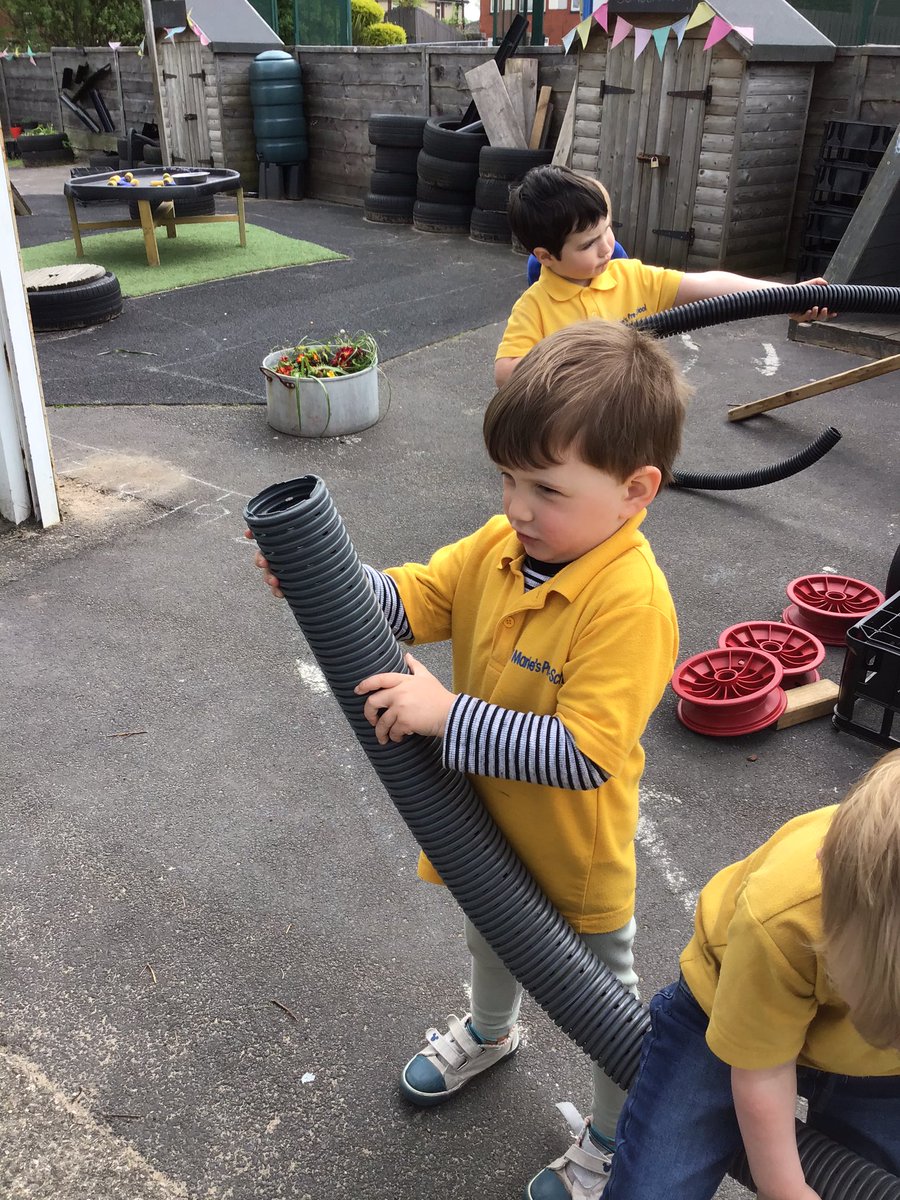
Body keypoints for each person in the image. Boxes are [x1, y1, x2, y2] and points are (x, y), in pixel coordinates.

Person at [251, 318, 691, 1200]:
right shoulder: (501, 548)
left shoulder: (630, 603)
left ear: (636, 489)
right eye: (506, 478)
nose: (517, 506)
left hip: (574, 862)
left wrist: (445, 715)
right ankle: (492, 1033)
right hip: (486, 837)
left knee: (607, 1008)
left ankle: (611, 1138)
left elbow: (583, 753)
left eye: (546, 488)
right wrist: (329, 578)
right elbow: (413, 599)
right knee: (490, 939)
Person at [545, 749, 900, 1200]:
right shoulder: (781, 916)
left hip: (877, 1070)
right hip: (724, 1017)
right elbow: (762, 1074)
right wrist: (786, 1189)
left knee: (871, 1187)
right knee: (655, 1186)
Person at [495, 164, 832, 388]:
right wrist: (573, 362)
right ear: (545, 256)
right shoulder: (535, 308)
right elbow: (505, 373)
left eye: (607, 230)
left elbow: (710, 285)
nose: (606, 247)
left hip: (628, 439)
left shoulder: (630, 278)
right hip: (566, 452)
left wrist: (787, 295)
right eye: (588, 244)